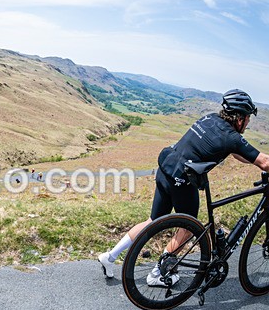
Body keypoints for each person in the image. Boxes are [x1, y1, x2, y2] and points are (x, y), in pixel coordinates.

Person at [98, 89, 269, 285]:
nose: (248, 123)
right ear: (239, 118)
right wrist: (259, 161)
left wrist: (252, 159)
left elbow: (237, 152)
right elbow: (264, 162)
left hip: (166, 168)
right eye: (247, 118)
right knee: (188, 227)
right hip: (182, 180)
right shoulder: (232, 137)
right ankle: (158, 273)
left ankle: (110, 257)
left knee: (154, 220)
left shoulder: (210, 118)